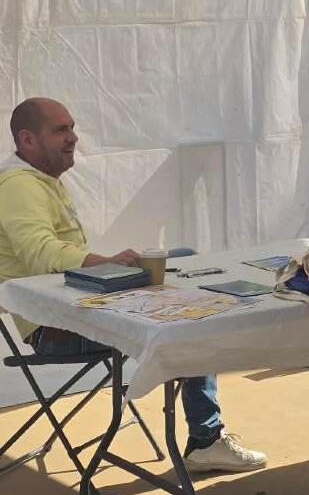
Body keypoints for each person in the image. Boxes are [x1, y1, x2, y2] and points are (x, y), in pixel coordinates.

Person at [0, 98, 266, 475]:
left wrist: (112, 268)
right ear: (27, 140)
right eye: (60, 130)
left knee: (183, 261)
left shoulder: (38, 180)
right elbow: (40, 252)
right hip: (57, 327)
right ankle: (205, 439)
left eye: (72, 128)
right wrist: (106, 264)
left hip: (74, 305)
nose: (73, 137)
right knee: (187, 318)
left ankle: (203, 432)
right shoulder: (19, 185)